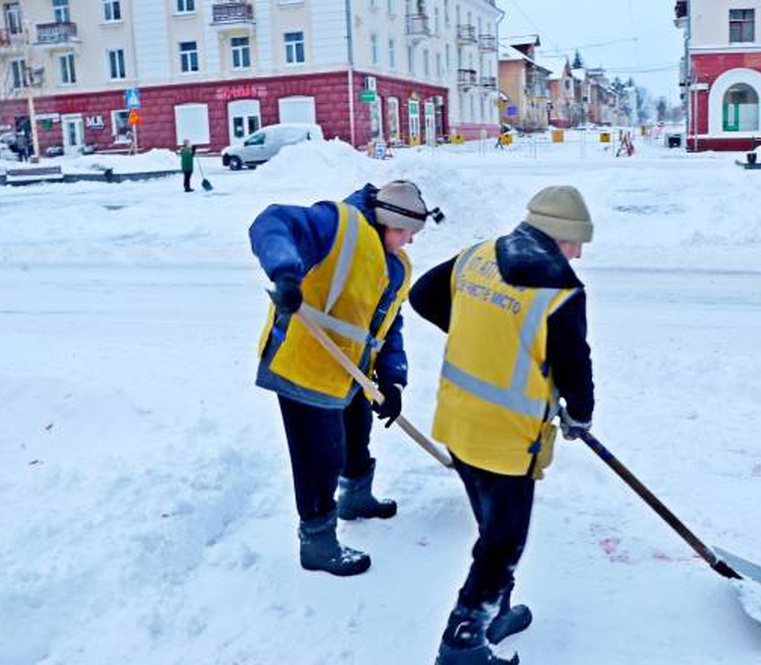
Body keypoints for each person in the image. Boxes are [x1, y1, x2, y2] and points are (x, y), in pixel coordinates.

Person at [409, 185, 596, 664]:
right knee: (502, 544)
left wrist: (484, 333)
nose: (577, 254)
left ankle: (496, 613)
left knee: (491, 525)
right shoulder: (560, 289)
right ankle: (463, 643)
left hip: (458, 421)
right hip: (507, 440)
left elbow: (423, 295)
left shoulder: (479, 256)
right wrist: (580, 414)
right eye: (576, 242)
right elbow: (575, 365)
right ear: (558, 235)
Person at [249, 180, 443, 577]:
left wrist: (393, 380)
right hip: (305, 364)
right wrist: (286, 275)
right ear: (386, 220)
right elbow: (272, 223)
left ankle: (355, 497)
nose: (409, 241)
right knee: (319, 456)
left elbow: (388, 326)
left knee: (357, 435)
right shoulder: (336, 225)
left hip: (351, 371)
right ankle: (317, 541)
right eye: (404, 231)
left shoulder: (397, 266)